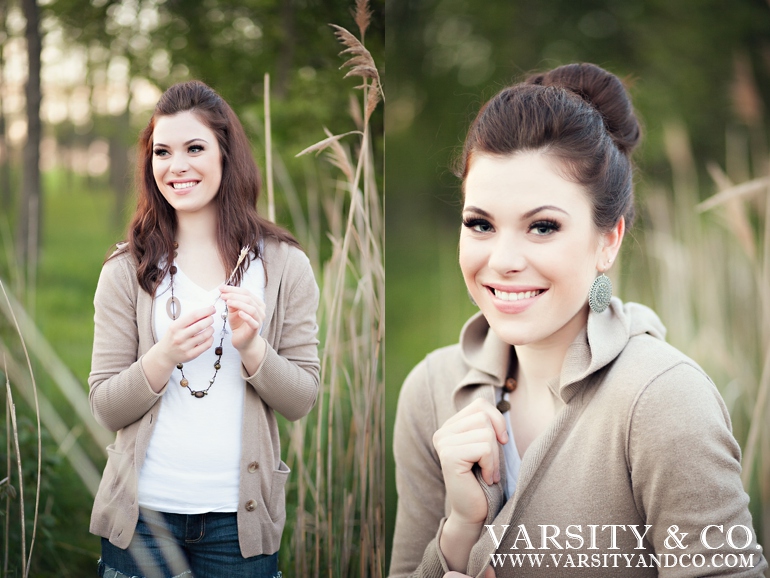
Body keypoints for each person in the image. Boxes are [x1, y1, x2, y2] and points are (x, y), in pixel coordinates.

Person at [390, 63, 767, 578]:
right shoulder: (430, 389)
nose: (502, 259)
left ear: (608, 240)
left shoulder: (664, 398)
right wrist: (460, 528)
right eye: (480, 224)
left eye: (542, 227)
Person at [88, 80, 319, 578]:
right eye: (162, 152)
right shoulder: (125, 269)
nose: (178, 166)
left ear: (225, 154)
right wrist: (162, 356)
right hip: (141, 520)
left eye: (195, 148)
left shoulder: (282, 265)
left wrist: (253, 349)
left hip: (239, 523)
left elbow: (301, 399)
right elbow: (106, 405)